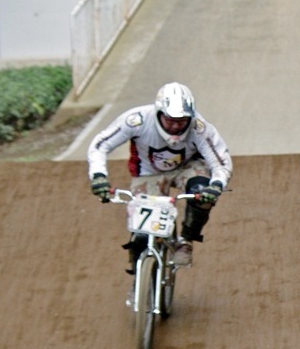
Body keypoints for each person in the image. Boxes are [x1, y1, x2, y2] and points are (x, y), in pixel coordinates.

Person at [87, 82, 233, 272]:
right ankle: (138, 281)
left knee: (202, 193)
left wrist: (216, 185)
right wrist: (98, 176)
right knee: (141, 235)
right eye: (170, 120)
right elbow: (100, 145)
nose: (175, 126)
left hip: (188, 168)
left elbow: (220, 161)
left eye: (181, 121)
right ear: (158, 113)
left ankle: (186, 240)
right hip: (149, 173)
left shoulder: (200, 128)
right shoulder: (137, 120)